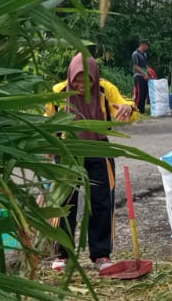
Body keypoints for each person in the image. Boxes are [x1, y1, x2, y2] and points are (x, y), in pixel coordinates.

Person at [47, 53, 136, 276]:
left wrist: (128, 109)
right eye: (76, 80)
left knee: (102, 202)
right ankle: (62, 255)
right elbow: (49, 121)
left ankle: (101, 255)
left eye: (87, 80)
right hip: (68, 152)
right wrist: (50, 145)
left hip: (99, 149)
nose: (80, 85)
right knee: (65, 203)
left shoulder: (106, 89)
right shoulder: (58, 92)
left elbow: (125, 106)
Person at [131, 38, 151, 115]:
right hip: (139, 76)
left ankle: (142, 110)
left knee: (144, 93)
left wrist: (149, 72)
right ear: (142, 45)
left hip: (145, 76)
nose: (147, 47)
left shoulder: (144, 54)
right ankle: (137, 110)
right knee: (139, 94)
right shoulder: (135, 54)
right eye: (146, 45)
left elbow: (146, 65)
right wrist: (144, 74)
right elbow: (136, 66)